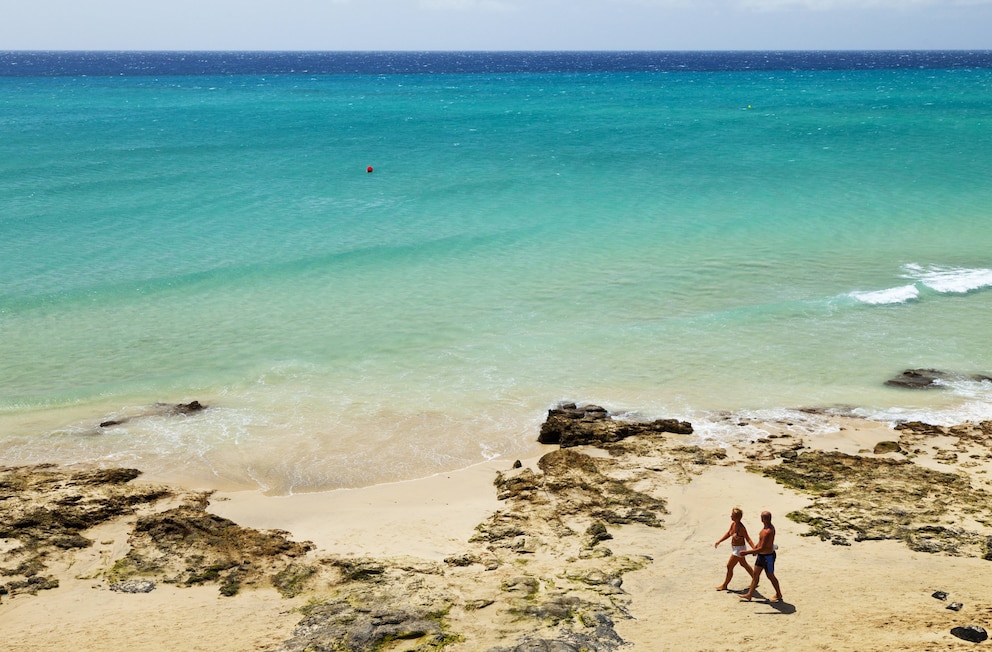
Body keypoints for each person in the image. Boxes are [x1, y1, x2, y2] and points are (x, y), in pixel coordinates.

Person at [739, 510, 782, 603]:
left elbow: (762, 548)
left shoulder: (768, 531)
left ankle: (779, 594)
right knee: (755, 574)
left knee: (770, 575)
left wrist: (747, 552)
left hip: (768, 557)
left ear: (763, 519)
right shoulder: (765, 528)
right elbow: (761, 543)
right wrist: (755, 547)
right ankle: (749, 595)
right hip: (761, 556)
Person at [714, 507, 756, 591]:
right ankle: (755, 579)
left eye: (732, 515)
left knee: (729, 566)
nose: (730, 516)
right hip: (735, 548)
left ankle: (725, 585)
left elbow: (748, 538)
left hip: (739, 550)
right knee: (743, 564)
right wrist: (719, 541)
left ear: (737, 517)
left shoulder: (741, 528)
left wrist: (754, 549)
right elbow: (728, 533)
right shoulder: (733, 524)